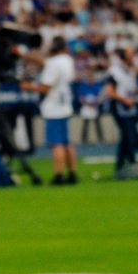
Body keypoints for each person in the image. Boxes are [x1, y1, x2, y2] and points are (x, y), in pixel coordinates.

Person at [30, 36, 78, 185]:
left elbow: (45, 87)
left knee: (56, 144)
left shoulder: (53, 64)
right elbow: (46, 63)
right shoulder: (67, 60)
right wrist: (24, 55)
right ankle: (72, 173)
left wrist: (28, 86)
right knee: (66, 142)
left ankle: (58, 175)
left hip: (53, 107)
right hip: (65, 104)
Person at [106, 47, 138, 176]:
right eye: (130, 55)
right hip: (119, 107)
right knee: (126, 135)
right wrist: (124, 100)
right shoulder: (115, 71)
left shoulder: (130, 71)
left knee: (129, 136)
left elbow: (130, 89)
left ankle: (124, 164)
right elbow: (110, 91)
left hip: (129, 107)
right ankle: (127, 163)